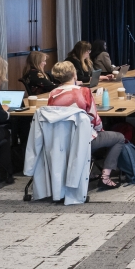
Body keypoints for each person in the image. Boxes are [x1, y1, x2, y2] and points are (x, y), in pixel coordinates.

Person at [49, 61, 125, 189]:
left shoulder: (53, 93)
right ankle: (105, 177)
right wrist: (100, 131)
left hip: (61, 141)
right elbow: (94, 119)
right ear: (74, 74)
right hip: (83, 139)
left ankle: (86, 171)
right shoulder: (84, 92)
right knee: (119, 138)